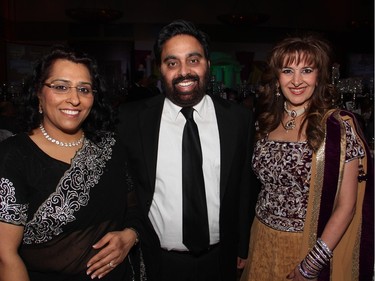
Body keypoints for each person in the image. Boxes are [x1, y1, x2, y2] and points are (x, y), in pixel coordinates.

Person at [117, 20, 256, 281]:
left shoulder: (239, 120)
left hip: (221, 260)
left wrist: (242, 245)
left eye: (193, 60)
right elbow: (122, 188)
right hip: (155, 260)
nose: (184, 71)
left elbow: (244, 188)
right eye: (172, 63)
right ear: (160, 69)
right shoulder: (131, 119)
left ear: (207, 64)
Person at [0, 46, 146, 281]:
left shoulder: (110, 147)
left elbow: (135, 209)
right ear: (39, 92)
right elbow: (6, 257)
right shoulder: (13, 156)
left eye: (84, 89)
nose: (74, 99)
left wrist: (131, 235)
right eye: (60, 87)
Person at [240, 34, 374, 281]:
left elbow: (347, 206)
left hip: (307, 245)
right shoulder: (264, 124)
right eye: (288, 70)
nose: (297, 80)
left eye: (307, 70)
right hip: (261, 239)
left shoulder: (338, 127)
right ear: (277, 78)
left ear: (319, 76)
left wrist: (311, 265)